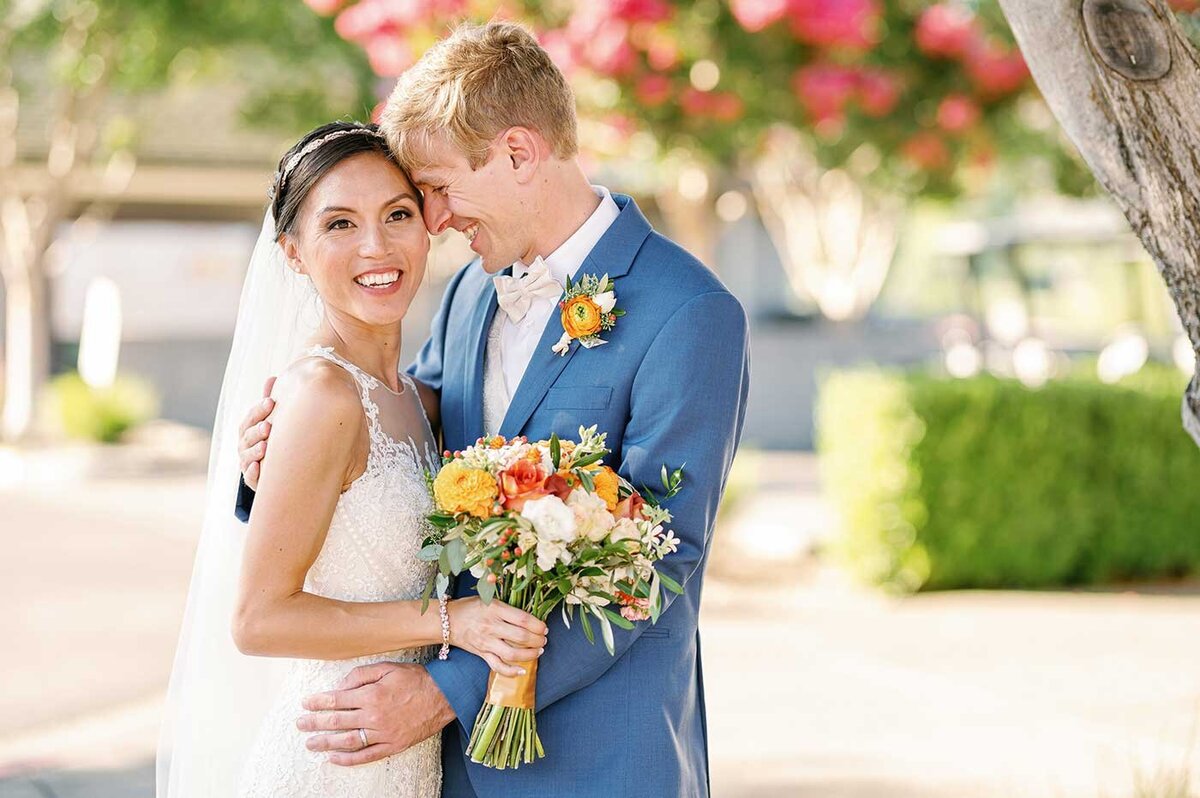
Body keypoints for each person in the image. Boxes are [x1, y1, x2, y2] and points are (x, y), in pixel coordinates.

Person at [237, 21, 751, 798]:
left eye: (438, 189)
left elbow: (657, 563)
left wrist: (450, 692)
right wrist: (273, 460)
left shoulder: (690, 312)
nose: (434, 220)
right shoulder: (474, 292)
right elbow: (400, 437)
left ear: (518, 152)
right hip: (432, 765)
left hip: (598, 758)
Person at [156, 120, 547, 798]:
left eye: (397, 214)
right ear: (294, 252)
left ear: (427, 224)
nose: (376, 245)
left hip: (401, 756)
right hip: (330, 757)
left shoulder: (417, 397)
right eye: (339, 224)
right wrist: (454, 622)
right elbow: (258, 619)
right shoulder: (320, 394)